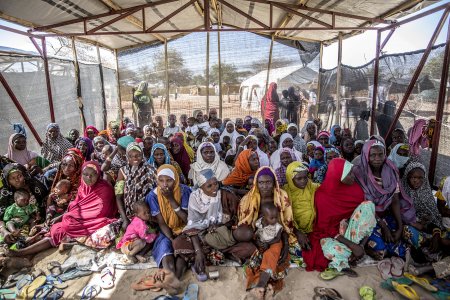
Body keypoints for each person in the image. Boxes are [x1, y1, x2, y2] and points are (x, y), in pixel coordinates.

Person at [7, 161, 118, 256]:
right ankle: (23, 252)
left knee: (64, 226)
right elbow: (76, 207)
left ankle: (23, 251)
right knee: (56, 229)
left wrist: (68, 216)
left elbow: (101, 212)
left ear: (98, 174)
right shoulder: (82, 187)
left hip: (94, 221)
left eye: (92, 174)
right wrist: (62, 217)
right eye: (85, 174)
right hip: (77, 220)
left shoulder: (105, 189)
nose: (88, 178)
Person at [303, 158, 376, 272]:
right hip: (333, 235)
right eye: (349, 174)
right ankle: (350, 255)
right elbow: (325, 228)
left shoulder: (355, 189)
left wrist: (361, 245)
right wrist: (352, 245)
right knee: (332, 250)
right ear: (338, 175)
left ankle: (357, 252)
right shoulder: (322, 195)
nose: (353, 176)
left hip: (351, 231)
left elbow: (365, 218)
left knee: (368, 206)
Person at [238, 167, 295, 298]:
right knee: (256, 258)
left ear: (274, 182)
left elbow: (286, 225)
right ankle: (267, 284)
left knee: (274, 253)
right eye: (261, 182)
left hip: (277, 236)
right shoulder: (249, 199)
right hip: (257, 237)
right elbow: (247, 226)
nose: (265, 186)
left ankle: (261, 284)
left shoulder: (282, 196)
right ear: (256, 183)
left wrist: (285, 244)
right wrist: (257, 241)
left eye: (268, 182)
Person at [354, 140, 416, 260]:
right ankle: (368, 249)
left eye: (380, 154)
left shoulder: (391, 171)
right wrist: (384, 227)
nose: (377, 158)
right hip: (366, 217)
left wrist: (399, 226)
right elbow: (364, 205)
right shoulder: (359, 174)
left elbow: (395, 200)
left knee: (400, 245)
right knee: (380, 249)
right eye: (373, 155)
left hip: (385, 215)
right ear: (366, 155)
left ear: (385, 154)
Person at [146, 165, 191, 278]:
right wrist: (171, 239)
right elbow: (161, 222)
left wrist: (171, 199)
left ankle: (177, 278)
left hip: (184, 228)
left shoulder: (184, 191)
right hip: (165, 231)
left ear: (175, 179)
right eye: (161, 181)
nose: (164, 184)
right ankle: (170, 277)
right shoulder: (153, 196)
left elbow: (186, 219)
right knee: (166, 251)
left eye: (169, 180)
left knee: (182, 251)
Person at [115, 142, 156, 230]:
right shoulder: (122, 171)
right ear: (127, 157)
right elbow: (118, 196)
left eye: (138, 155)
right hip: (129, 214)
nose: (135, 158)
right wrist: (125, 219)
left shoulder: (150, 170)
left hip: (148, 214)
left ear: (142, 154)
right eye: (131, 156)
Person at [283, 161, 320, 250]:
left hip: (315, 229)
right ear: (290, 179)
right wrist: (297, 232)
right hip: (292, 231)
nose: (303, 181)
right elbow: (283, 217)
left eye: (305, 177)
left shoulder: (314, 187)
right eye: (298, 178)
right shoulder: (284, 193)